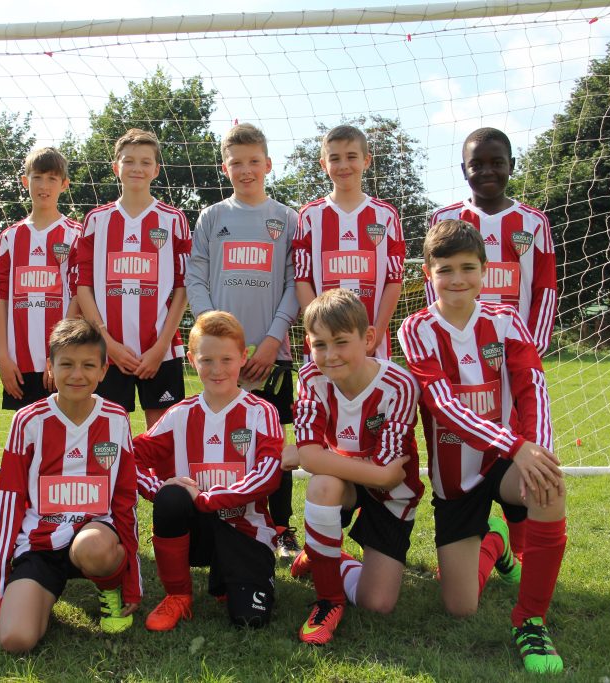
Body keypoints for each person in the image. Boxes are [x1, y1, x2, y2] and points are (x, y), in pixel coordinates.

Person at [399, 219, 567, 674]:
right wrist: (517, 444)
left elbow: (532, 385)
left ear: (485, 270)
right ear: (428, 274)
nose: (457, 279)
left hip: (504, 461)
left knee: (550, 486)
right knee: (460, 607)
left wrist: (537, 450)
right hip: (456, 477)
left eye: (468, 268)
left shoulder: (506, 320)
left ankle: (530, 620)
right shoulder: (416, 329)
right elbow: (443, 406)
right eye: (445, 269)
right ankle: (495, 541)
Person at [429, 127, 558, 563]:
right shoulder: (446, 217)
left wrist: (531, 351)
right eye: (477, 164)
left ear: (511, 166)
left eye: (496, 162)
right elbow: (434, 287)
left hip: (513, 358)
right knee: (465, 444)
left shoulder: (533, 222)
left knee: (518, 447)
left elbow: (544, 288)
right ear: (463, 170)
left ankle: (517, 550)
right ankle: (476, 531)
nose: (487, 171)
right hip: (460, 361)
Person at [0, 318, 141, 653]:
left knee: (93, 548)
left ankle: (109, 587)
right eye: (66, 364)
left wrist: (131, 579)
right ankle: (36, 595)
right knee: (15, 639)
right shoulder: (27, 421)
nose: (77, 374)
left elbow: (125, 498)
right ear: (50, 367)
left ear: (103, 370)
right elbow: (10, 500)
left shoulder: (116, 418)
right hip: (40, 543)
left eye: (88, 365)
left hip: (94, 535)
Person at [185, 122, 301, 557]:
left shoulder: (287, 219)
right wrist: (211, 330)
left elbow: (294, 283)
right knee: (221, 439)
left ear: (268, 164)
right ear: (225, 167)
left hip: (271, 354)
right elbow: (195, 277)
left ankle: (282, 528)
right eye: (237, 163)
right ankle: (223, 519)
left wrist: (272, 340)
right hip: (220, 357)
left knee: (272, 444)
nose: (246, 170)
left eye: (254, 161)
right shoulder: (212, 217)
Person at [133, 311, 283, 631]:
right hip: (198, 532)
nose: (217, 370)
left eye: (227, 359)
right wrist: (160, 489)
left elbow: (268, 474)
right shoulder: (180, 414)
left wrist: (204, 498)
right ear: (191, 360)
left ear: (243, 358)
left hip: (245, 531)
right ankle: (178, 595)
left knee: (250, 618)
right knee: (171, 497)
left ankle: (230, 577)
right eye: (207, 360)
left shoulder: (261, 412)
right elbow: (130, 458)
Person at [289, 288, 422, 645]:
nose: (330, 355)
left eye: (341, 342)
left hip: (391, 494)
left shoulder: (399, 385)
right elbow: (312, 459)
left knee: (377, 604)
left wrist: (310, 455)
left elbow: (390, 473)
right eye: (319, 344)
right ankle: (328, 600)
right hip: (350, 481)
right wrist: (376, 472)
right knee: (322, 485)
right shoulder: (310, 377)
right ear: (309, 344)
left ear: (368, 338)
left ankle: (326, 555)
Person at [72, 128, 190, 430]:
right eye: (129, 161)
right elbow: (83, 286)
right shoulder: (96, 220)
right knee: (107, 436)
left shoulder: (173, 219)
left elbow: (183, 286)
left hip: (160, 351)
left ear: (156, 169)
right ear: (116, 167)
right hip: (107, 351)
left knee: (163, 436)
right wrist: (107, 342)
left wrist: (161, 346)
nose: (137, 168)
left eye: (145, 162)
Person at [293, 124, 405, 360]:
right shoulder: (310, 215)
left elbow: (394, 280)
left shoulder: (386, 215)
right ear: (324, 165)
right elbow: (302, 279)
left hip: (372, 343)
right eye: (335, 158)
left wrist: (377, 334)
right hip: (324, 346)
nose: (343, 165)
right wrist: (318, 332)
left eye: (351, 156)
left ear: (366, 160)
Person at [0, 146, 83, 412]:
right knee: (25, 431)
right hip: (18, 362)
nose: (44, 186)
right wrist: (3, 357)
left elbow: (78, 295)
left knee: (65, 428)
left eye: (52, 178)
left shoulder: (75, 234)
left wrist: (59, 353)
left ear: (64, 184)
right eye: (37, 178)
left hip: (61, 359)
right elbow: (0, 297)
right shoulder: (9, 238)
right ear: (25, 181)